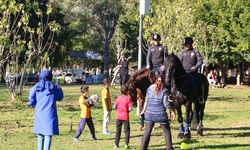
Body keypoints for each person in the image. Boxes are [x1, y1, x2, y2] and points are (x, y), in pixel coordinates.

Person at [29, 70, 64, 150]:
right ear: (50, 77)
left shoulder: (36, 86)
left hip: (39, 114)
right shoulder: (53, 87)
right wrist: (59, 88)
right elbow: (60, 97)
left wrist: (33, 104)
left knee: (40, 135)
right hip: (50, 114)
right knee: (48, 135)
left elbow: (31, 97)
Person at [140, 75, 175, 150]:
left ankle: (142, 148)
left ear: (155, 80)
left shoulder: (149, 88)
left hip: (149, 114)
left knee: (147, 132)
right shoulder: (164, 90)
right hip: (161, 115)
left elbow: (146, 100)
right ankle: (169, 148)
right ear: (163, 81)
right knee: (167, 131)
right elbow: (166, 103)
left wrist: (143, 111)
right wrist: (172, 111)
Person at [179, 37, 204, 102]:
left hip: (193, 72)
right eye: (185, 45)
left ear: (191, 44)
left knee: (198, 81)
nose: (185, 46)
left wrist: (195, 67)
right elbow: (179, 62)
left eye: (187, 44)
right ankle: (172, 95)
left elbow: (200, 61)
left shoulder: (195, 52)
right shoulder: (182, 53)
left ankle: (200, 96)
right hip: (184, 73)